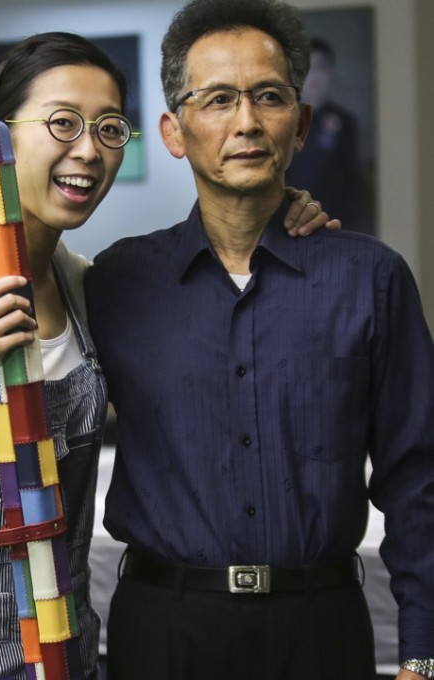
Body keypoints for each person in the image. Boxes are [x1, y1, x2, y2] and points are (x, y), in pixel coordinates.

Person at [0, 32, 334, 680]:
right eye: (63, 123)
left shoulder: (86, 281)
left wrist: (286, 213)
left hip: (64, 653)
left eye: (110, 129)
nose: (89, 150)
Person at [84, 2, 434, 679]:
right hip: (162, 629)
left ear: (299, 124)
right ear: (173, 131)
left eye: (268, 97)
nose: (246, 122)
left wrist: (422, 649)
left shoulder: (371, 279)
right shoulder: (117, 283)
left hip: (321, 626)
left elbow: (418, 479)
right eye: (217, 99)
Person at [286, 36, 370, 234]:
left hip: (333, 222)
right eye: (308, 68)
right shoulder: (283, 120)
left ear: (331, 71)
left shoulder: (344, 122)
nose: (314, 75)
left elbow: (351, 180)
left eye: (320, 67)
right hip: (289, 221)